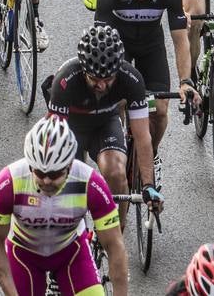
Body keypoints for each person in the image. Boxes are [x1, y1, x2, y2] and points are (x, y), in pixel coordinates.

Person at [0, 115, 127, 296]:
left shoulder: (90, 183)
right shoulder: (8, 183)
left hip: (71, 253)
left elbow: (115, 246)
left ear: (69, 165)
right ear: (30, 166)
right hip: (24, 255)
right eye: (39, 172)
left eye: (54, 174)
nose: (46, 181)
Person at [95, 0, 197, 184]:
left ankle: (151, 155)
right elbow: (101, 43)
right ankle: (119, 150)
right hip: (119, 49)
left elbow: (180, 40)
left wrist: (185, 80)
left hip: (151, 48)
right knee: (118, 103)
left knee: (160, 110)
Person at [47, 24, 162, 227]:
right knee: (69, 184)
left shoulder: (132, 79)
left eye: (108, 79)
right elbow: (53, 137)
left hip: (104, 124)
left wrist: (149, 185)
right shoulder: (65, 80)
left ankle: (117, 231)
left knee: (116, 172)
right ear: (84, 70)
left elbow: (143, 137)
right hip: (70, 130)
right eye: (94, 79)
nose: (101, 85)